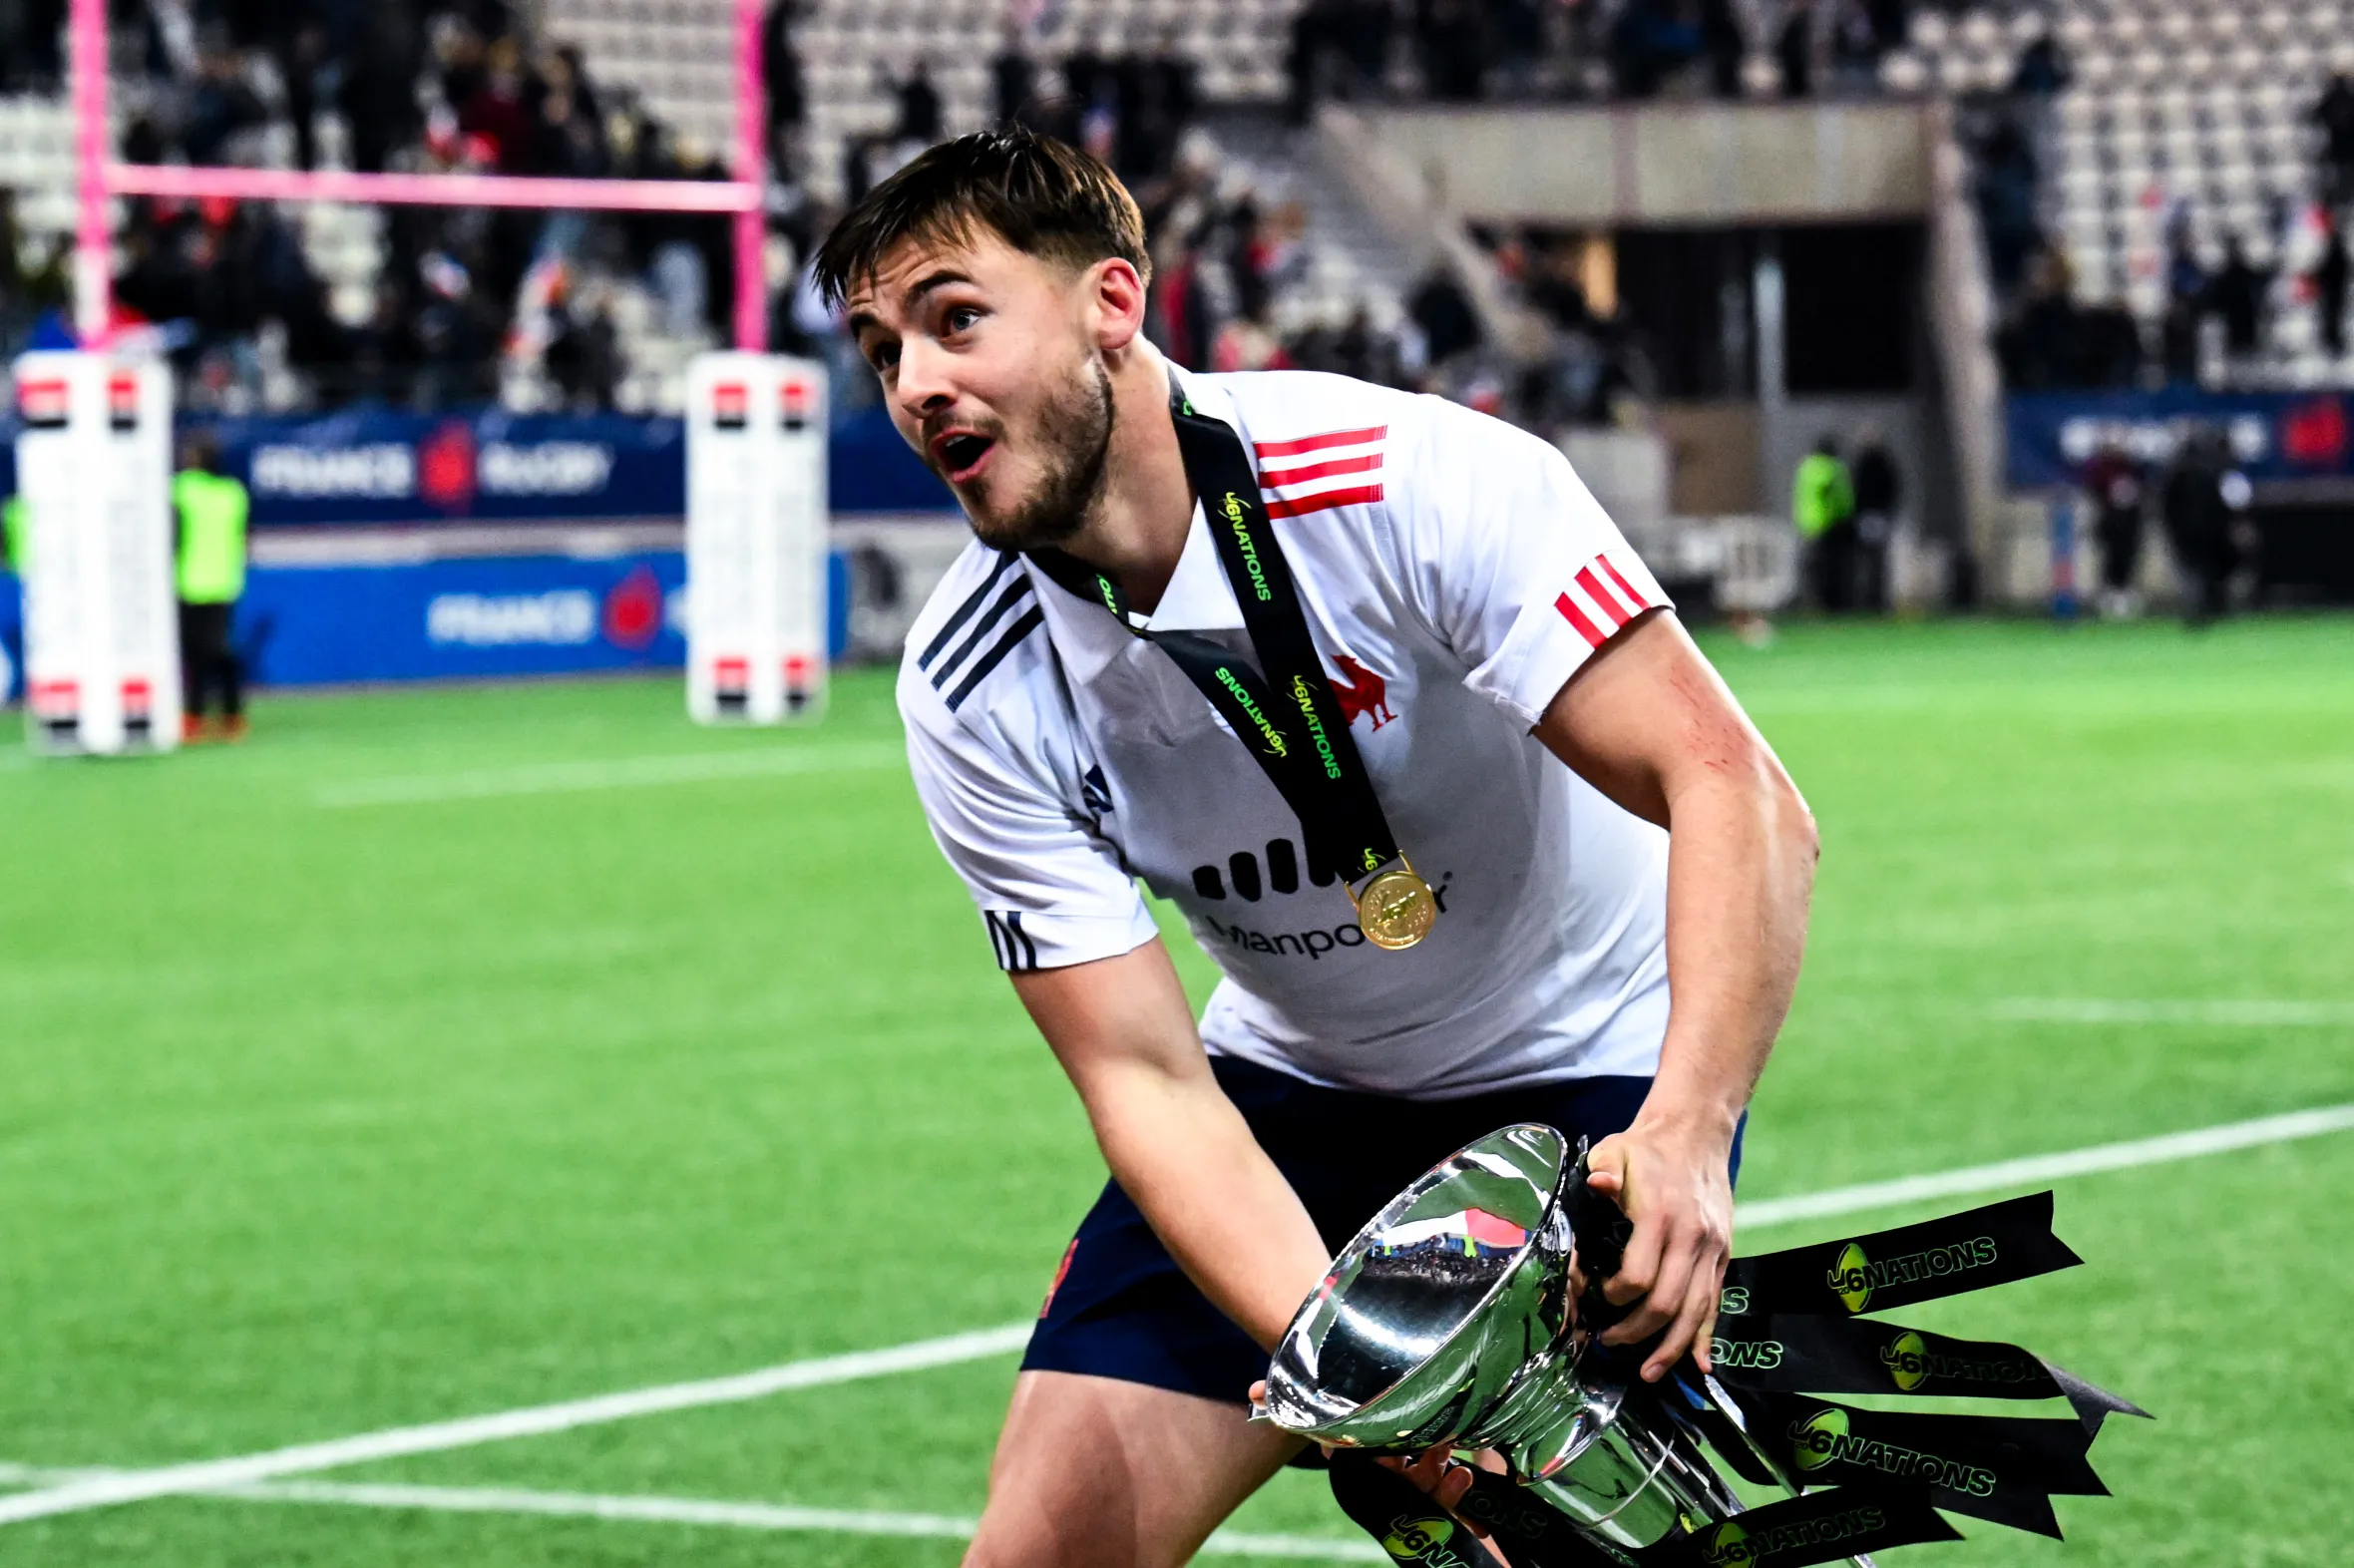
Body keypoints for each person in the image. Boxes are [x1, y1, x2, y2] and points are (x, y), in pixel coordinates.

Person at [813, 128, 1818, 1567]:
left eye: (956, 318)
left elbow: (1734, 790)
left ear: (1111, 302)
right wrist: (1366, 1393)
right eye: (880, 349)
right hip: (1290, 1085)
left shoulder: (1404, 481)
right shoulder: (970, 684)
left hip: (1580, 1065)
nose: (915, 386)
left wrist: (1688, 1132)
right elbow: (1146, 1081)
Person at [172, 436, 251, 741]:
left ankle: (201, 716)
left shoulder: (182, 489)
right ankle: (226, 715)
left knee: (201, 654)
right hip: (224, 582)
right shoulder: (234, 493)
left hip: (190, 582)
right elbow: (244, 536)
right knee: (214, 652)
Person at [2081, 439, 2145, 618]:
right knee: (2110, 562)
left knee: (2128, 561)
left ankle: (2123, 600)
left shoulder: (2132, 469)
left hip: (2129, 526)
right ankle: (2109, 600)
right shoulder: (2100, 470)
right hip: (2110, 524)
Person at [1793, 435, 1858, 611]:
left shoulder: (1806, 467)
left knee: (1813, 567)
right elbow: (1838, 497)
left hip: (1808, 523)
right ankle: (1831, 604)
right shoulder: (1832, 468)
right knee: (1831, 569)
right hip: (1829, 523)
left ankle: (1814, 603)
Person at [1849, 425, 1900, 613]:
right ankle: (1872, 599)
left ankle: (1873, 599)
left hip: (1872, 516)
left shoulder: (1870, 464)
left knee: (1874, 560)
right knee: (1874, 560)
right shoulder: (1880, 463)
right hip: (1874, 515)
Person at [2313, 213, 2350, 359]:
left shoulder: (2336, 254)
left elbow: (2329, 271)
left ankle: (2333, 343)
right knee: (2332, 318)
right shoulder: (2338, 254)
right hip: (2333, 291)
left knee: (2332, 318)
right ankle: (2332, 342)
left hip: (2333, 292)